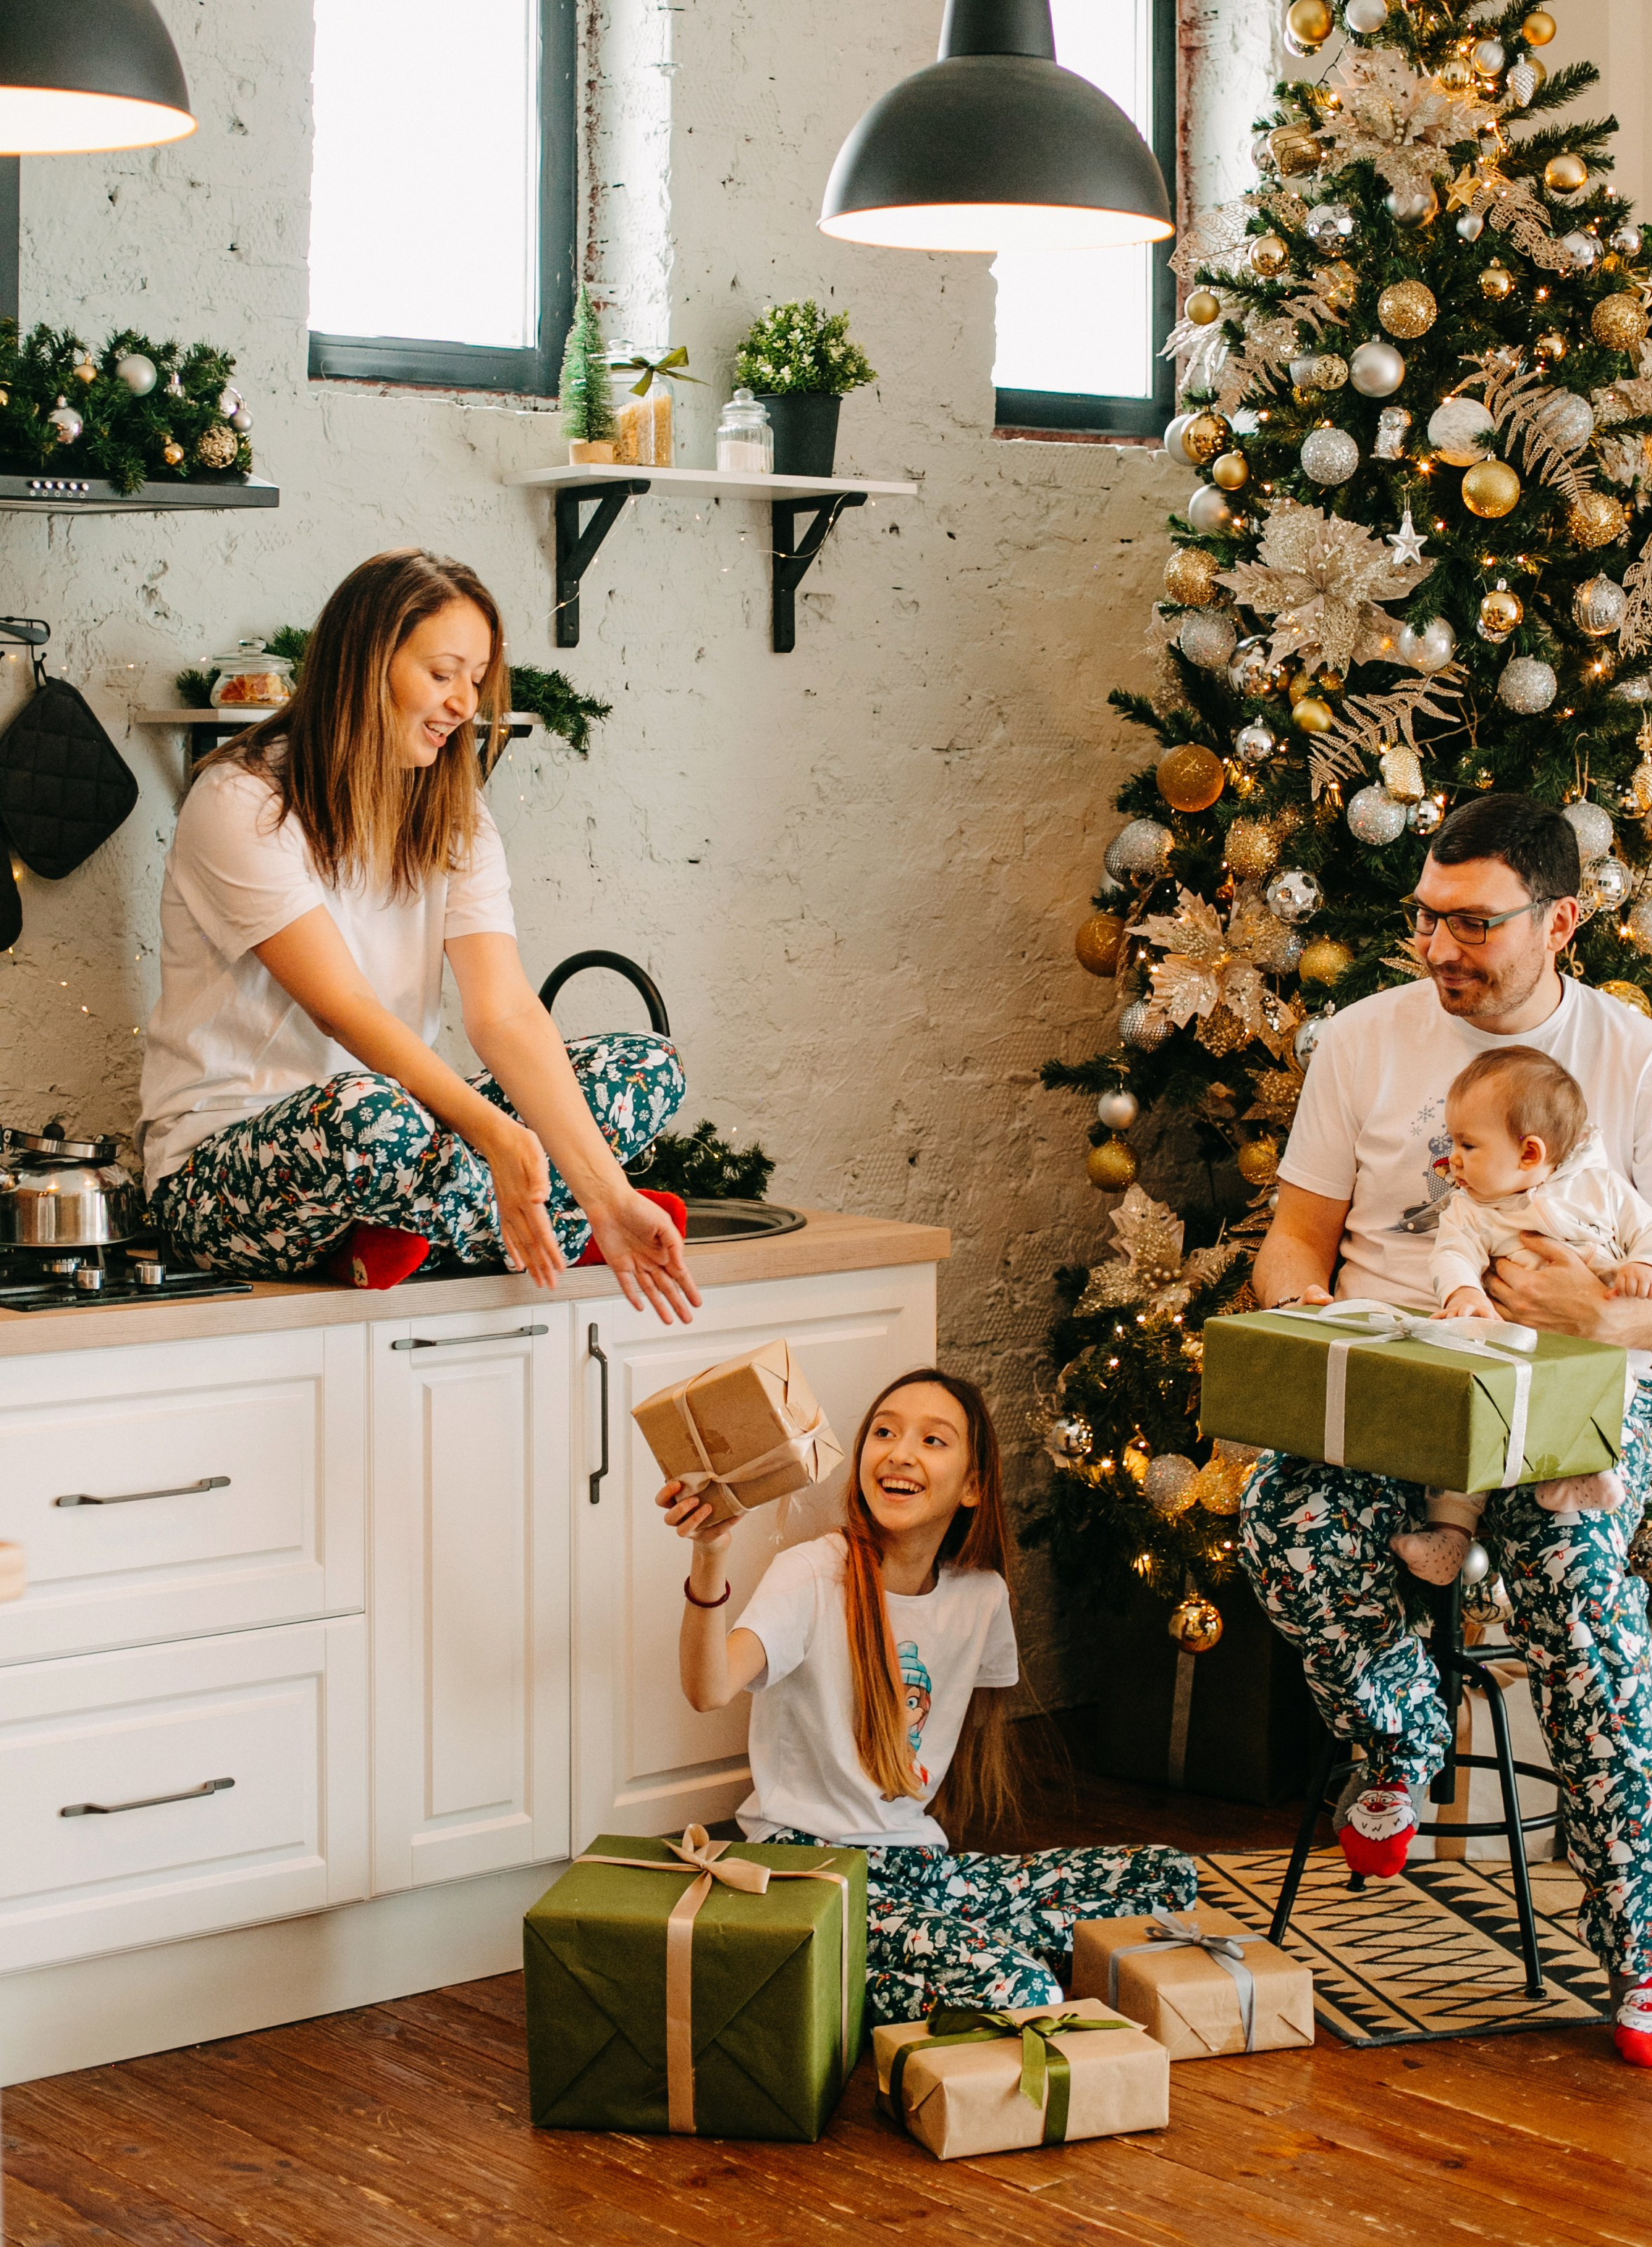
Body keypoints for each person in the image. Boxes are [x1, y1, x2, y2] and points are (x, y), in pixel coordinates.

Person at [1236, 791, 1652, 2068]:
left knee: (1586, 1611)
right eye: (1425, 916)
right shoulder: (1361, 1041)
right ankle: (1401, 1732)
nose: (1438, 948)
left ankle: (1642, 1955)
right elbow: (1296, 1238)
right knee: (1279, 1523)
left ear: (1560, 920)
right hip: (1397, 1381)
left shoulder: (1639, 1062)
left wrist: (1600, 1313)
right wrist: (1302, 1311)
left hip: (1566, 1394)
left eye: (1473, 923)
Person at [138, 548, 699, 1320]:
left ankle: (429, 1232)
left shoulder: (455, 816)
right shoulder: (241, 798)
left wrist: (606, 1193)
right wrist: (502, 1142)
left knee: (643, 1067)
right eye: (443, 674)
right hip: (224, 1172)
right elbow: (346, 1010)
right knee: (372, 1118)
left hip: (411, 1136)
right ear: (365, 664)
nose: (464, 703)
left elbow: (502, 1014)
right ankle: (524, 1222)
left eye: (477, 679)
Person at [659, 1367, 1195, 2024]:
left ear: (973, 1486)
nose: (901, 1452)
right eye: (884, 1432)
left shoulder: (981, 1596)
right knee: (1023, 1990)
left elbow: (954, 1746)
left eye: (933, 1440)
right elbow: (708, 1687)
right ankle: (802, 1970)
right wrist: (710, 1555)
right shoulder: (812, 1573)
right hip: (809, 1871)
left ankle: (891, 1959)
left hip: (917, 1867)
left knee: (1169, 1878)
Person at [1391, 1047, 1652, 1587]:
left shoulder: (1600, 1189)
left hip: (1597, 1356)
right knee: (1473, 1435)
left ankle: (1591, 1474)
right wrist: (1463, 1294)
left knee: (1597, 1398)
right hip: (1514, 1359)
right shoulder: (1472, 1208)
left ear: (1530, 1153)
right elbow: (1451, 1254)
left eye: (1468, 1145)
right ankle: (1449, 1537)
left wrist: (1647, 1265)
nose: (1452, 1159)